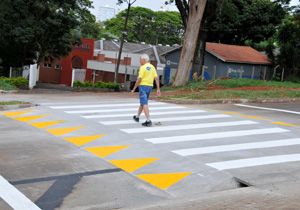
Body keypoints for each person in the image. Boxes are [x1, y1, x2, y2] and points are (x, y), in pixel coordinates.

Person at [131, 54, 161, 126]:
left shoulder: (143, 67)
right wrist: (158, 89)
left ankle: (148, 120)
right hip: (150, 87)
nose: (139, 61)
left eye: (140, 60)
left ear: (144, 60)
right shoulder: (152, 67)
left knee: (144, 103)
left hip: (143, 86)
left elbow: (139, 79)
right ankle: (137, 117)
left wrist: (134, 88)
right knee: (143, 101)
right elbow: (156, 78)